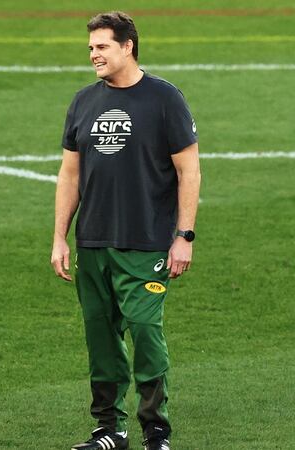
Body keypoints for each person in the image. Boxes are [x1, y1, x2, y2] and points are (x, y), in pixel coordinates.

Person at [51, 11, 201, 450]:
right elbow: (69, 174)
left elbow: (188, 170)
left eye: (101, 46)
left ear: (128, 46)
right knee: (101, 339)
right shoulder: (82, 102)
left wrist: (184, 235)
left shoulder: (164, 99)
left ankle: (156, 429)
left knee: (145, 329)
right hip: (93, 242)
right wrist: (60, 236)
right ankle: (109, 430)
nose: (93, 55)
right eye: (91, 48)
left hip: (146, 243)